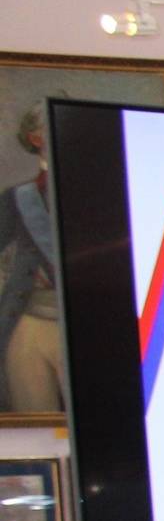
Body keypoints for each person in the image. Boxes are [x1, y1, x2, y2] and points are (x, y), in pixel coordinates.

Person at [0, 108, 65, 416]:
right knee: (34, 420)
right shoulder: (18, 197)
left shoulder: (101, 191)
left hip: (86, 324)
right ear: (36, 139)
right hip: (30, 321)